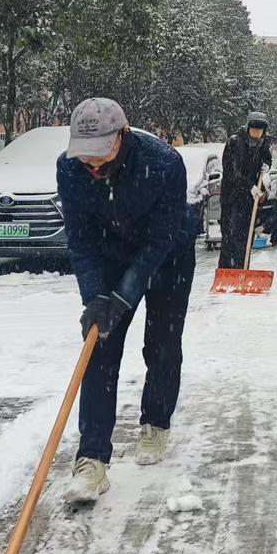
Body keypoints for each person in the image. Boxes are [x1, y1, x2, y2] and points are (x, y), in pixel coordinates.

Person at [56, 98, 196, 502]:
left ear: (124, 134)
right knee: (99, 346)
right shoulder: (70, 168)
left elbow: (158, 242)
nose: (94, 167)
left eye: (101, 156)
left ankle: (155, 422)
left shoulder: (165, 164)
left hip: (167, 256)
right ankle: (93, 459)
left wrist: (124, 296)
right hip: (110, 253)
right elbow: (80, 242)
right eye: (86, 158)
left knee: (162, 344)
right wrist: (97, 299)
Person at [219, 111, 273, 268]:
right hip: (231, 198)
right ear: (248, 127)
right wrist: (249, 186)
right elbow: (231, 171)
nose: (256, 132)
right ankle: (227, 273)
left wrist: (267, 165)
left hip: (249, 202)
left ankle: (242, 271)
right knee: (230, 238)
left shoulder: (263, 143)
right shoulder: (234, 143)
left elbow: (266, 158)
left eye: (260, 130)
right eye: (254, 129)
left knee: (245, 238)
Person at [255, 167, 277, 247]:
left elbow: (276, 216)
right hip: (256, 224)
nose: (259, 199)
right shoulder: (252, 200)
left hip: (267, 224)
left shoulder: (273, 200)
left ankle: (274, 240)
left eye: (261, 197)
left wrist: (264, 226)